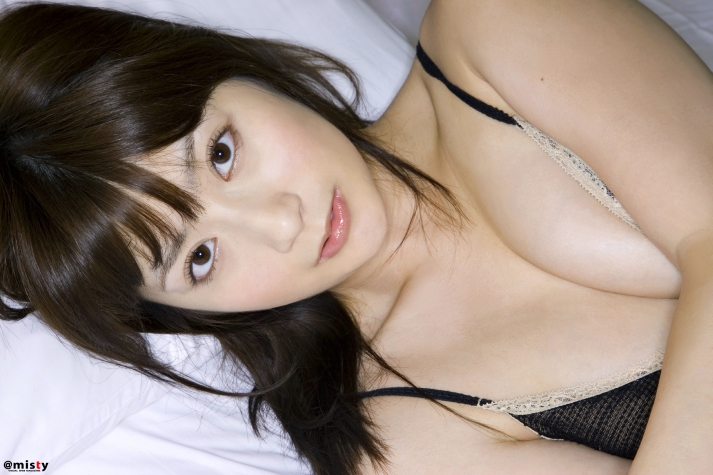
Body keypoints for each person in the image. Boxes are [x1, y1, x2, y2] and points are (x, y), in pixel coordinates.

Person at [1, 1, 711, 474]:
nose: (282, 222)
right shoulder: (396, 437)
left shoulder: (494, 27)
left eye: (221, 153)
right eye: (200, 257)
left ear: (220, 68)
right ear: (184, 314)